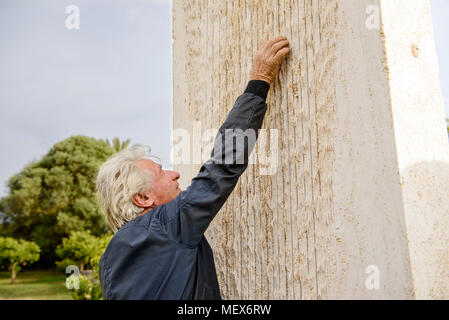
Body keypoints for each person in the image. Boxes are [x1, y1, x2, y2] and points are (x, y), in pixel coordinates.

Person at [96, 36, 290, 299]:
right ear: (143, 198)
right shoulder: (166, 226)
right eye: (161, 172)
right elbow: (221, 168)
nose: (174, 174)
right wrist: (259, 82)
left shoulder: (109, 260)